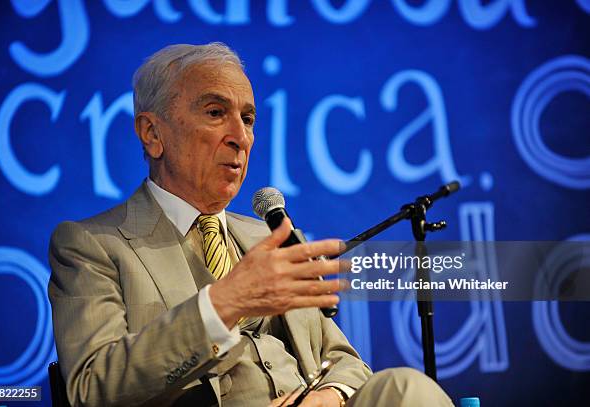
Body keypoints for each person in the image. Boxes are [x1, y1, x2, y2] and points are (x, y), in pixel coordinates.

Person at [48, 42, 453, 407]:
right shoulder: (92, 245)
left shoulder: (267, 238)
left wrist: (328, 396)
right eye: (215, 113)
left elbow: (343, 361)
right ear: (153, 133)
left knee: (406, 389)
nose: (241, 137)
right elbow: (91, 388)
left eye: (248, 118)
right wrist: (226, 302)